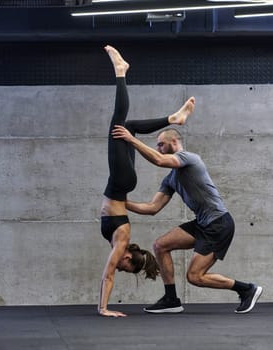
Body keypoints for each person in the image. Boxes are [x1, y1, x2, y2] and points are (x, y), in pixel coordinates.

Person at [111, 122, 263, 314]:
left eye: (160, 144)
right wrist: (123, 203)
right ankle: (171, 299)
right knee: (160, 245)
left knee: (195, 276)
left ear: (173, 142)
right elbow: (152, 208)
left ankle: (246, 289)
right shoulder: (170, 179)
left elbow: (158, 160)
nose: (158, 148)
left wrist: (131, 139)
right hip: (202, 223)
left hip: (219, 223)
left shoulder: (189, 158)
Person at [98, 45, 196, 317]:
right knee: (119, 126)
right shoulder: (121, 241)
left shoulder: (119, 241)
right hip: (120, 182)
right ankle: (120, 72)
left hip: (121, 184)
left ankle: (174, 118)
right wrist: (103, 308)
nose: (121, 268)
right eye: (126, 267)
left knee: (125, 128)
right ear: (128, 258)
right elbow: (108, 276)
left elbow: (109, 272)